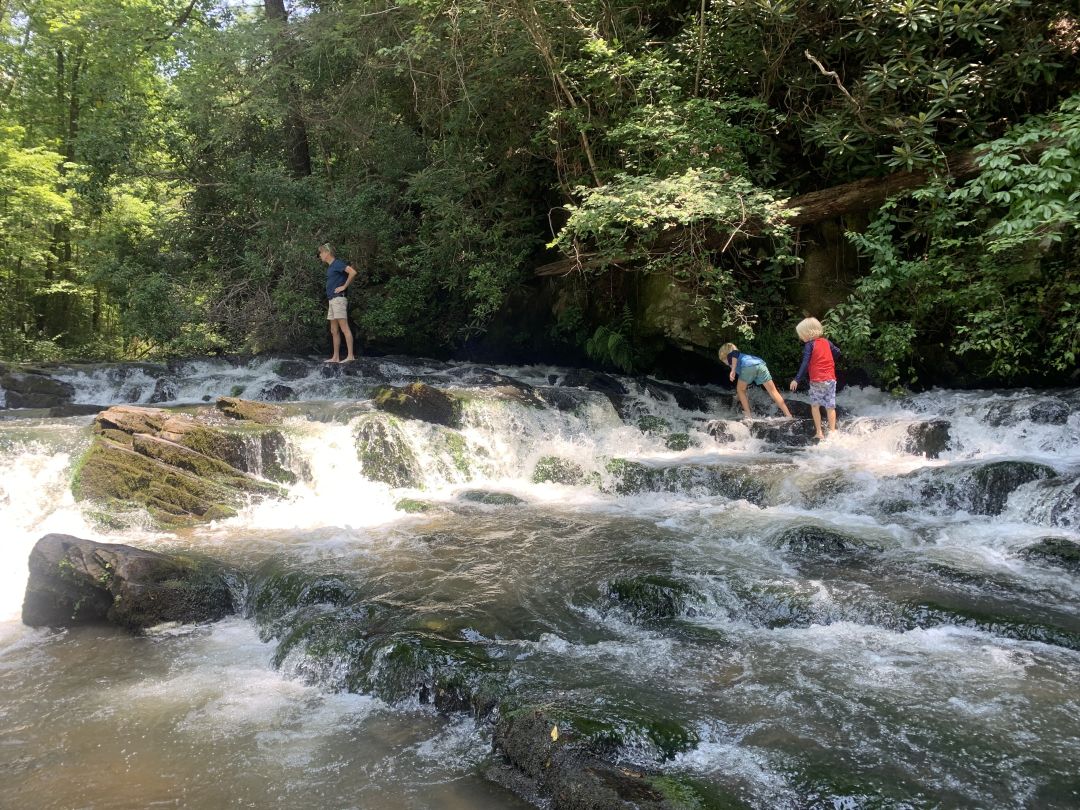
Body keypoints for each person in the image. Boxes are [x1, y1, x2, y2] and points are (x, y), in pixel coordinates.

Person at [788, 317, 841, 440]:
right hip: (830, 378)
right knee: (830, 405)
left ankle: (819, 433)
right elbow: (838, 352)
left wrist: (797, 379)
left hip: (817, 380)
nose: (801, 337)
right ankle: (832, 432)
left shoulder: (809, 345)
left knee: (815, 405)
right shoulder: (827, 342)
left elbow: (805, 363)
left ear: (807, 333)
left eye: (801, 335)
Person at [718, 342, 794, 419]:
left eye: (723, 360)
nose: (725, 363)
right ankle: (788, 415)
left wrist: (733, 370)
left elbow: (735, 353)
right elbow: (744, 379)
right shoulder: (742, 358)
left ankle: (748, 416)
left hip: (748, 366)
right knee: (773, 391)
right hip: (760, 365)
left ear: (726, 355)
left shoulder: (732, 356)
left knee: (740, 390)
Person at [318, 243, 357, 363]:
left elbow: (353, 272)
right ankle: (335, 357)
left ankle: (350, 356)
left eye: (321, 253)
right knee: (334, 330)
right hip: (332, 300)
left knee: (344, 328)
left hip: (339, 299)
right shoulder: (330, 267)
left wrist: (344, 286)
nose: (320, 255)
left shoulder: (337, 263)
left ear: (327, 253)